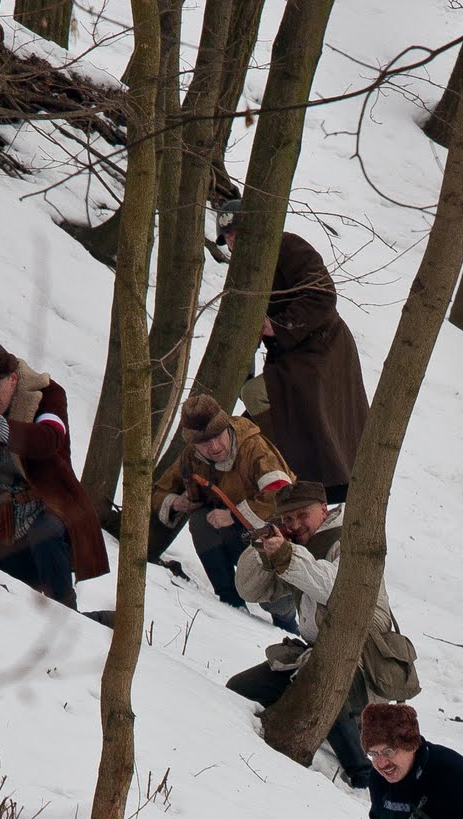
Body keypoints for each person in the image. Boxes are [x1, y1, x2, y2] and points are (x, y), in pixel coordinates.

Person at [226, 481, 420, 788]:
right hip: (314, 656)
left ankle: (364, 776)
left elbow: (338, 588)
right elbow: (250, 590)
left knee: (327, 686)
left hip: (364, 660)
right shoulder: (295, 547)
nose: (295, 524)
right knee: (240, 689)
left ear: (323, 510)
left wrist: (287, 554)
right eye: (288, 519)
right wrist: (263, 550)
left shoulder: (351, 539)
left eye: (303, 515)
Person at [214, 205, 369, 501]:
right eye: (227, 237)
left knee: (265, 400)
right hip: (291, 356)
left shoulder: (288, 247)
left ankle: (297, 479)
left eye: (237, 232)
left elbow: (322, 295)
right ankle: (289, 480)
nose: (232, 241)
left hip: (322, 351)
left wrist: (279, 325)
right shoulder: (243, 271)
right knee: (259, 409)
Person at [0, 340, 108, 608]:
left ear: (13, 378)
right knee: (8, 603)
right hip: (1, 520)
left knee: (58, 594)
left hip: (48, 507)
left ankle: (77, 613)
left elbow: (49, 439)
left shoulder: (48, 394)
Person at [152, 394, 294, 614]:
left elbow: (282, 495)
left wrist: (234, 516)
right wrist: (175, 502)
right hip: (235, 537)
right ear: (194, 444)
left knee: (278, 606)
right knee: (200, 521)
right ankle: (230, 603)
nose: (215, 446)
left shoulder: (255, 448)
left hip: (272, 541)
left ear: (227, 427)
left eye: (218, 436)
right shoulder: (191, 458)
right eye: (204, 442)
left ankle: (287, 622)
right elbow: (158, 491)